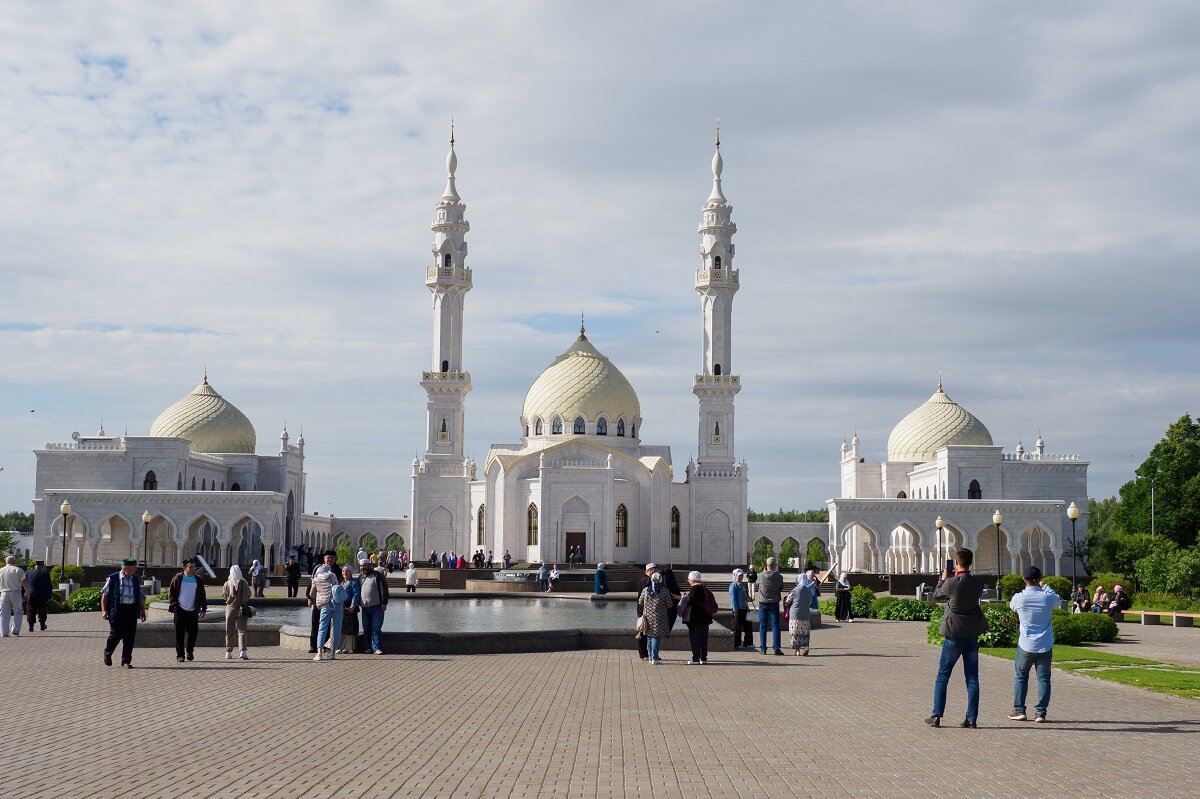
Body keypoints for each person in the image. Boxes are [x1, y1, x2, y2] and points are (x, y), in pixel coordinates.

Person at [927, 548, 987, 728]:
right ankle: (971, 718)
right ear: (971, 562)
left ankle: (936, 715)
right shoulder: (978, 583)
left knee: (943, 675)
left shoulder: (951, 583)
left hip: (953, 635)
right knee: (972, 677)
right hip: (971, 634)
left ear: (956, 562)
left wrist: (942, 579)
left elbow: (936, 596)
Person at [1009, 565, 1058, 723]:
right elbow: (1057, 599)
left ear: (1024, 579)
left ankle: (1019, 709)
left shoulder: (1019, 597)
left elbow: (1012, 607)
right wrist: (1045, 586)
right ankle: (1040, 713)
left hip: (1026, 644)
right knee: (1043, 679)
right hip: (1045, 644)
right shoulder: (1047, 597)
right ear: (1040, 579)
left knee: (1021, 676)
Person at [100, 557, 146, 667]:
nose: (136, 569)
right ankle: (107, 653)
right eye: (134, 567)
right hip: (117, 610)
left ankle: (126, 661)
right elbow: (104, 595)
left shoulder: (135, 579)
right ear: (127, 568)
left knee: (129, 637)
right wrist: (104, 610)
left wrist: (142, 611)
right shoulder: (113, 578)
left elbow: (139, 596)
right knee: (116, 634)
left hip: (131, 610)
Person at [168, 557, 208, 662]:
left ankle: (190, 652)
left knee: (193, 633)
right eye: (190, 567)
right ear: (184, 567)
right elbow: (171, 592)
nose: (193, 569)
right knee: (179, 634)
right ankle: (180, 655)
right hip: (180, 610)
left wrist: (203, 608)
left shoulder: (197, 579)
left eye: (194, 567)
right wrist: (174, 604)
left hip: (193, 610)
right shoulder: (178, 577)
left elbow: (202, 595)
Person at [682, 571, 716, 665]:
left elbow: (689, 603)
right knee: (703, 639)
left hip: (695, 619)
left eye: (689, 580)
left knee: (695, 639)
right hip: (706, 619)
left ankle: (695, 658)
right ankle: (703, 658)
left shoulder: (694, 589)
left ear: (692, 580)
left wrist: (682, 598)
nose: (689, 581)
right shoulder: (704, 588)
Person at [638, 572, 672, 664]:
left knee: (649, 636)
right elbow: (670, 605)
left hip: (647, 617)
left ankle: (650, 657)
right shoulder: (665, 591)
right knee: (656, 637)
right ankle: (655, 658)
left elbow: (640, 602)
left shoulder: (645, 590)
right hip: (659, 618)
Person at [309, 562, 341, 661]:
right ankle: (332, 653)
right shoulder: (333, 576)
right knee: (336, 628)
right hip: (337, 604)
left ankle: (319, 653)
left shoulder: (315, 579)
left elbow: (312, 594)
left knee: (322, 628)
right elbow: (337, 588)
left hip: (324, 605)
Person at [358, 557, 389, 655]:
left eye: (365, 565)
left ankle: (377, 648)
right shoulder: (360, 577)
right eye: (361, 566)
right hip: (365, 607)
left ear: (369, 565)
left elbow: (384, 589)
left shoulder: (377, 575)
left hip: (377, 606)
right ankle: (368, 648)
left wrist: (384, 602)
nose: (363, 567)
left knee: (376, 628)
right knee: (366, 628)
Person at [755, 557, 784, 655]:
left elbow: (757, 586)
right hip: (774, 603)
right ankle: (776, 648)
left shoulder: (760, 576)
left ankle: (763, 648)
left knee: (763, 626)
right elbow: (781, 587)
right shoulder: (779, 577)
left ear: (766, 565)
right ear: (775, 565)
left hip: (763, 603)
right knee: (775, 625)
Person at [222, 564, 251, 661]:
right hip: (242, 608)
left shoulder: (227, 583)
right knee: (242, 630)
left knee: (229, 630)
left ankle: (228, 652)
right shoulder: (244, 583)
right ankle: (242, 651)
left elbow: (224, 596)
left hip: (230, 608)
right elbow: (248, 595)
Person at [784, 574, 814, 656]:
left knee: (795, 632)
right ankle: (806, 647)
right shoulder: (809, 591)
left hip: (795, 615)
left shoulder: (795, 590)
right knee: (805, 632)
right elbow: (810, 602)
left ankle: (797, 650)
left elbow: (787, 602)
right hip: (806, 614)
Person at [0, 555, 29, 637]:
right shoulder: (18, 570)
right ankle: (15, 629)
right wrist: (27, 592)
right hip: (16, 592)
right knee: (18, 611)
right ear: (14, 561)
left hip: (4, 593)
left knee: (4, 614)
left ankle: (3, 633)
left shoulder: (1, 570)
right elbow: (24, 582)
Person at [729, 569, 753, 648]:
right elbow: (733, 599)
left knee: (748, 626)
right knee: (737, 627)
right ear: (735, 576)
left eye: (742, 575)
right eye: (739, 575)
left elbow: (745, 595)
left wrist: (749, 598)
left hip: (745, 608)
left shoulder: (743, 584)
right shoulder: (733, 586)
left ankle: (748, 643)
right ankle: (737, 643)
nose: (741, 577)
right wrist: (735, 611)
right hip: (738, 609)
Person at [338, 565, 360, 654]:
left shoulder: (353, 582)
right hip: (342, 606)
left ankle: (348, 647)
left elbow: (356, 594)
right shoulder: (342, 582)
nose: (344, 573)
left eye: (347, 571)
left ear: (351, 573)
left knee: (350, 627)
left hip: (350, 606)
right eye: (343, 571)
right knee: (342, 626)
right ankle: (340, 645)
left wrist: (353, 605)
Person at [25, 560, 52, 632]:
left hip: (31, 595)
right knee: (42, 611)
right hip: (42, 595)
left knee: (30, 610)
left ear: (35, 566)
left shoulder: (28, 573)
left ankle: (31, 627)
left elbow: (24, 584)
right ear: (42, 566)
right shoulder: (45, 574)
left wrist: (24, 594)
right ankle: (42, 626)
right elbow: (48, 586)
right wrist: (49, 596)